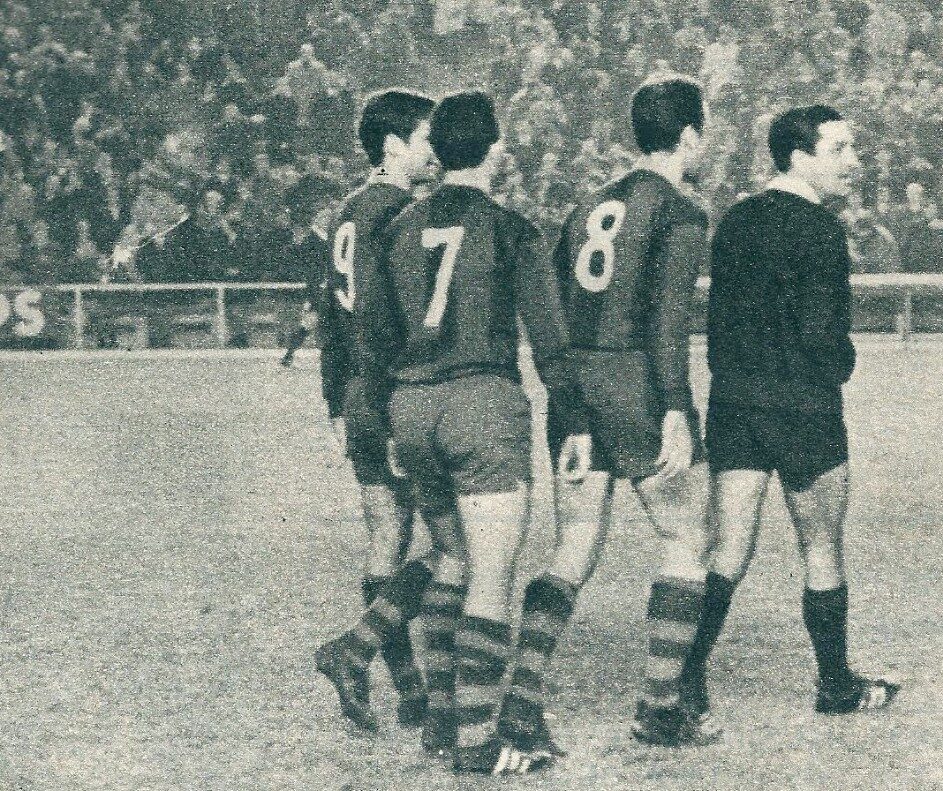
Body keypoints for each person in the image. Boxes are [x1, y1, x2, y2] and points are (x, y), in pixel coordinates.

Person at [321, 91, 591, 775]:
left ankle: (440, 716)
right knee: (489, 577)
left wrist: (379, 416)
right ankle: (476, 742)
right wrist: (574, 418)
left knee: (450, 555)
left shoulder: (396, 226)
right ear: (493, 148)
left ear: (439, 151)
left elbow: (374, 336)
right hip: (481, 405)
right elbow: (550, 339)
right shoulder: (510, 229)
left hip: (409, 407)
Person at [499, 76, 721, 752]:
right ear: (689, 134)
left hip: (577, 386)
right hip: (636, 385)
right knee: (686, 537)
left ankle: (520, 702)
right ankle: (659, 707)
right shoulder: (679, 211)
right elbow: (667, 326)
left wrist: (570, 401)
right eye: (704, 128)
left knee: (573, 542)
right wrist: (676, 409)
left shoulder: (586, 206)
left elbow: (557, 312)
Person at [695, 104, 900, 716]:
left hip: (735, 402)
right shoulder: (820, 228)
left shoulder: (735, 220)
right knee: (821, 548)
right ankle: (835, 685)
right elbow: (821, 335)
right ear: (798, 156)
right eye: (840, 149)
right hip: (804, 406)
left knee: (726, 549)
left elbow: (718, 322)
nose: (854, 162)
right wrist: (841, 365)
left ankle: (682, 680)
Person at [313, 90, 441, 734]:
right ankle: (359, 652)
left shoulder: (346, 211)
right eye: (424, 137)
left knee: (386, 535)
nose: (434, 149)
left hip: (358, 393)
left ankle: (409, 689)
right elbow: (387, 318)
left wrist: (336, 398)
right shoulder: (399, 213)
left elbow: (329, 313)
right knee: (454, 542)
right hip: (393, 390)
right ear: (393, 146)